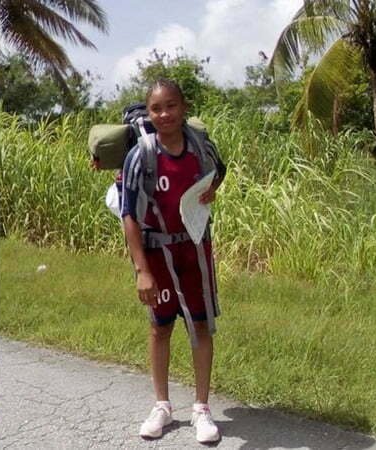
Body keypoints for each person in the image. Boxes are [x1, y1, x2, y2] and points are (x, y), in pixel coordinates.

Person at [120, 78, 225, 443]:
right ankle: (162, 406)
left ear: (184, 108)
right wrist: (142, 271)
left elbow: (219, 171)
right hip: (156, 253)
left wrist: (210, 191)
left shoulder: (199, 146)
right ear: (148, 113)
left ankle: (201, 408)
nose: (164, 114)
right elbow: (129, 215)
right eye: (156, 108)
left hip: (195, 248)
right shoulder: (141, 156)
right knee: (160, 327)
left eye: (171, 106)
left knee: (200, 325)